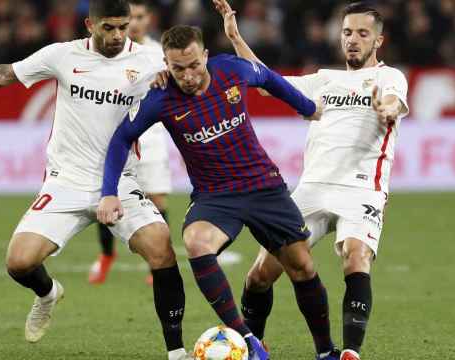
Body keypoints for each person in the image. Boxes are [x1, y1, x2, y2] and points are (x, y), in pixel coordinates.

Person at [0, 1, 190, 359]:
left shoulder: (149, 61)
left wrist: (174, 77)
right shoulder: (62, 55)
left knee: (161, 246)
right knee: (19, 263)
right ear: (90, 24)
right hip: (65, 180)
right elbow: (3, 73)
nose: (117, 36)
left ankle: (177, 352)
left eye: (123, 27)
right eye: (108, 28)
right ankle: (48, 293)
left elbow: (194, 83)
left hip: (119, 183)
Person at [97, 24, 334, 360]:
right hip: (216, 197)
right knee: (196, 243)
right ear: (166, 65)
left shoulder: (230, 70)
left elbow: (267, 78)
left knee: (302, 268)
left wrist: (306, 107)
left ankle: (326, 352)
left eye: (194, 65)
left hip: (264, 186)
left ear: (205, 56)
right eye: (178, 68)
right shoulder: (161, 98)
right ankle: (247, 338)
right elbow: (122, 138)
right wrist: (109, 192)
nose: (189, 75)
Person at [212, 1, 409, 360]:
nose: (352, 40)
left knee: (356, 258)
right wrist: (236, 38)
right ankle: (253, 345)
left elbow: (393, 102)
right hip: (311, 190)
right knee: (259, 276)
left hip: (362, 189)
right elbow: (266, 82)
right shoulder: (323, 78)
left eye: (363, 34)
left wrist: (387, 108)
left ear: (378, 40)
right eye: (347, 32)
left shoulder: (389, 77)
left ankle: (350, 352)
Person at [88, 0, 172, 286]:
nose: (134, 24)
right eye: (130, 18)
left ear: (149, 19)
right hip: (116, 138)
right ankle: (106, 255)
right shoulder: (106, 54)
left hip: (152, 137)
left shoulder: (159, 54)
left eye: (138, 17)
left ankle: (155, 262)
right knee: (106, 197)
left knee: (158, 200)